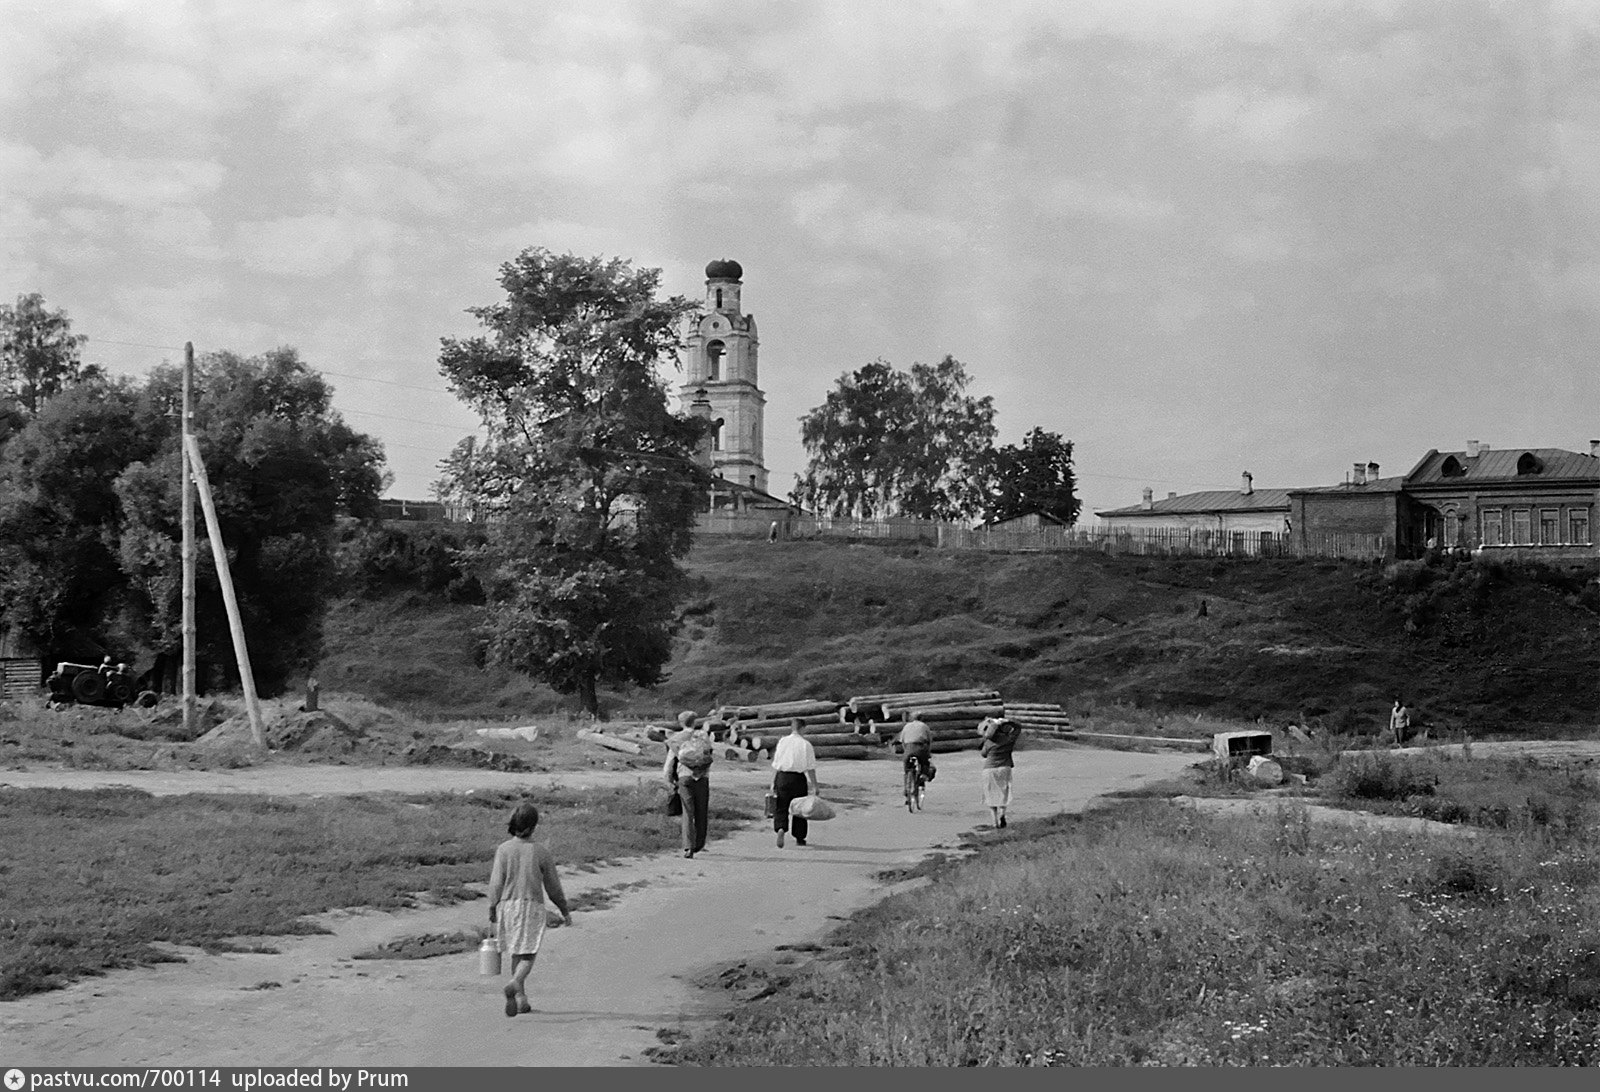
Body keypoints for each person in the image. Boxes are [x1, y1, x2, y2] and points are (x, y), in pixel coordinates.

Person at [487, 801, 573, 1018]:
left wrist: (492, 905)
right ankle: (515, 983)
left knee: (516, 952)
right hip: (531, 906)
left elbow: (496, 882)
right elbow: (552, 885)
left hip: (508, 906)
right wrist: (564, 909)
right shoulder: (541, 852)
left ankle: (522, 1000)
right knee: (529, 954)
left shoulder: (503, 850)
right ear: (534, 826)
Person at [665, 717, 714, 858]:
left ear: (681, 723)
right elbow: (709, 756)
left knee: (688, 811)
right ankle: (699, 844)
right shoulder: (703, 737)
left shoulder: (676, 739)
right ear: (695, 722)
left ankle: (688, 847)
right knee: (701, 811)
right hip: (703, 777)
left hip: (684, 777)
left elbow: (669, 763)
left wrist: (669, 779)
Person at [771, 718, 818, 848]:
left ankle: (780, 828)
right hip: (798, 778)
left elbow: (776, 763)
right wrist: (814, 785)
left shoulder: (782, 741)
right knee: (800, 809)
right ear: (803, 728)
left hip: (782, 777)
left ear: (792, 728)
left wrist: (773, 782)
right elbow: (810, 767)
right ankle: (799, 837)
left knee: (781, 806)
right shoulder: (806, 744)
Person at [978, 716, 1021, 829]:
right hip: (1005, 768)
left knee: (990, 795)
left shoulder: (989, 742)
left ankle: (994, 822)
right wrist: (1007, 721)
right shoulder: (1009, 739)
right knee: (1003, 792)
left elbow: (983, 754)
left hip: (990, 769)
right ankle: (1002, 814)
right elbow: (1018, 728)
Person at [896, 717, 933, 808]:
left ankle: (906, 791)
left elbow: (902, 741)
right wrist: (928, 753)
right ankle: (923, 775)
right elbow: (929, 740)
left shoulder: (906, 726)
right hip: (920, 748)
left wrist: (906, 751)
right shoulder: (924, 726)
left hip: (908, 749)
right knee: (924, 762)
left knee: (907, 769)